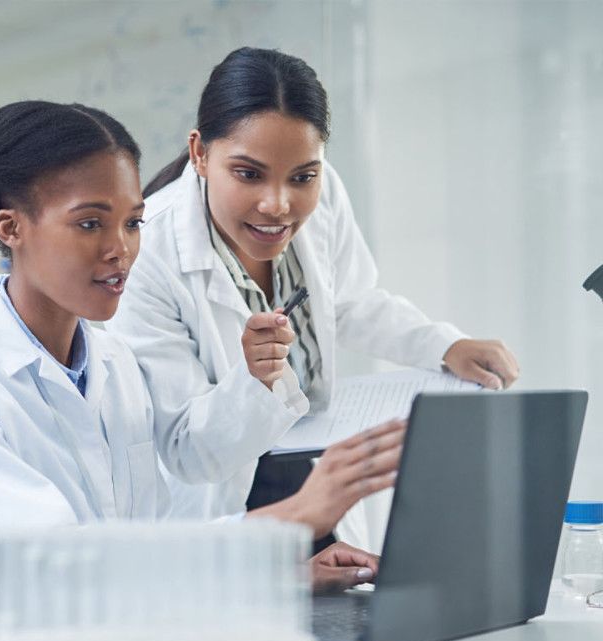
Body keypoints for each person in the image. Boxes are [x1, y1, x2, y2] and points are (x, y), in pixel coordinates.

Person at [0, 99, 402, 624]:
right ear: (11, 228)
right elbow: (55, 564)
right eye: (90, 225)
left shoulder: (114, 365)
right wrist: (291, 517)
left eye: (133, 223)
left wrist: (278, 577)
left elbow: (145, 550)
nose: (121, 250)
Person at [106, 47, 519, 533]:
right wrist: (255, 380)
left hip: (315, 476)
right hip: (222, 511)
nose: (278, 204)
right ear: (200, 153)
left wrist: (444, 345)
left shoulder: (325, 192)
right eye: (248, 173)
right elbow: (185, 452)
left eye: (303, 176)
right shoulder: (147, 251)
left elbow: (349, 301)